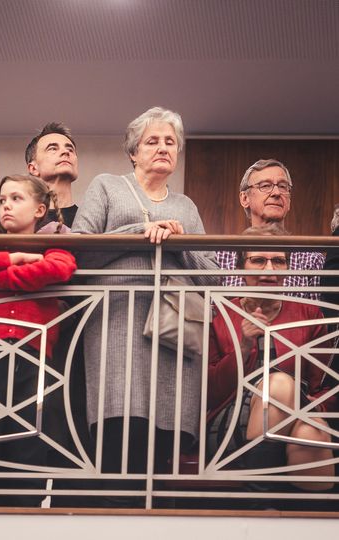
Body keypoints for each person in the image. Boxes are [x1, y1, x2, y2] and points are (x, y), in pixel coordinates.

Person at [71, 106, 218, 507]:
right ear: (133, 152)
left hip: (174, 334)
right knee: (120, 434)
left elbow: (212, 277)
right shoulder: (107, 186)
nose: (163, 147)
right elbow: (78, 252)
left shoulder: (186, 206)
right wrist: (142, 232)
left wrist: (179, 243)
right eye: (152, 141)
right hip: (117, 328)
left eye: (170, 142)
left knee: (164, 442)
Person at [0, 174, 76, 506]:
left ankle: (26, 509)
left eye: (16, 198)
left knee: (30, 431)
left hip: (33, 351)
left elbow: (59, 269)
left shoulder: (52, 246)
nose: (6, 205)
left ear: (39, 210)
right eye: (3, 200)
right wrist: (11, 259)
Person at [208, 225, 335, 492]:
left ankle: (276, 508)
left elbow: (322, 387)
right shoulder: (221, 314)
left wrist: (311, 411)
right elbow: (212, 391)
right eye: (258, 260)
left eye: (278, 261)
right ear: (241, 268)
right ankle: (260, 501)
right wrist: (244, 345)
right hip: (233, 419)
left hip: (298, 410)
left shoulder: (309, 314)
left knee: (311, 433)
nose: (269, 270)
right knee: (278, 384)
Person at [217, 159, 324, 299]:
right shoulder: (220, 258)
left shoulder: (312, 260)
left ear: (289, 201)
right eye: (265, 186)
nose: (276, 193)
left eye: (283, 187)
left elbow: (318, 311)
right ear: (244, 198)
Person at [0, 122, 79, 231]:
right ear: (33, 168)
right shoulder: (10, 218)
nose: (66, 152)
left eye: (70, 149)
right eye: (53, 148)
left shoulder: (90, 219)